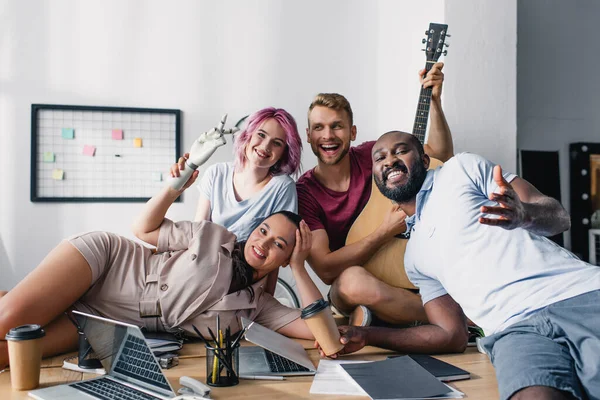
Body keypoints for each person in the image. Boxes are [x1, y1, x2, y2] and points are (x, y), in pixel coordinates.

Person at [327, 130, 600, 400]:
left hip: (579, 294)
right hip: (514, 331)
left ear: (424, 160)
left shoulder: (461, 169)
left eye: (401, 151)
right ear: (375, 175)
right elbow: (451, 335)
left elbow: (559, 218)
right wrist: (366, 334)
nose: (389, 160)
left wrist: (524, 215)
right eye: (380, 157)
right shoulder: (414, 258)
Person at [0, 158, 321, 370]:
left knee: (12, 354)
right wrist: (173, 189)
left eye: (279, 244)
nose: (263, 243)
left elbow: (321, 333)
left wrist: (299, 268)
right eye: (263, 230)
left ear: (287, 255)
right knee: (7, 322)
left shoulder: (258, 307)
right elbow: (143, 229)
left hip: (103, 321)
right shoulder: (213, 236)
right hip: (104, 265)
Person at [296, 63, 454, 326]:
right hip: (359, 283)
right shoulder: (305, 192)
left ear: (352, 132)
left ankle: (389, 315)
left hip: (411, 272)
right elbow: (324, 269)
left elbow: (438, 155)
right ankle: (458, 315)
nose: (328, 136)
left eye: (337, 126)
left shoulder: (375, 155)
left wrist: (435, 102)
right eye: (319, 128)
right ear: (309, 136)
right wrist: (384, 232)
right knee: (352, 282)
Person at [171, 107, 302, 295]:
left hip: (244, 285)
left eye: (277, 143)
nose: (265, 147)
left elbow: (275, 256)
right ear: (247, 135)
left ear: (284, 152)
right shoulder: (216, 173)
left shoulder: (282, 187)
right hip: (203, 271)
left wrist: (266, 302)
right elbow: (197, 231)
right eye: (261, 135)